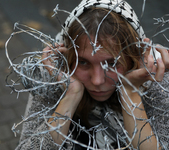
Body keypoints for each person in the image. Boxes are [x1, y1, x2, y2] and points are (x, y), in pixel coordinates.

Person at [14, 0, 169, 149]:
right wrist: (71, 95)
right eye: (82, 62)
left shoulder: (156, 81)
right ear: (68, 57)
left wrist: (130, 91)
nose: (97, 80)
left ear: (133, 57)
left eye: (111, 63)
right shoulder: (53, 79)